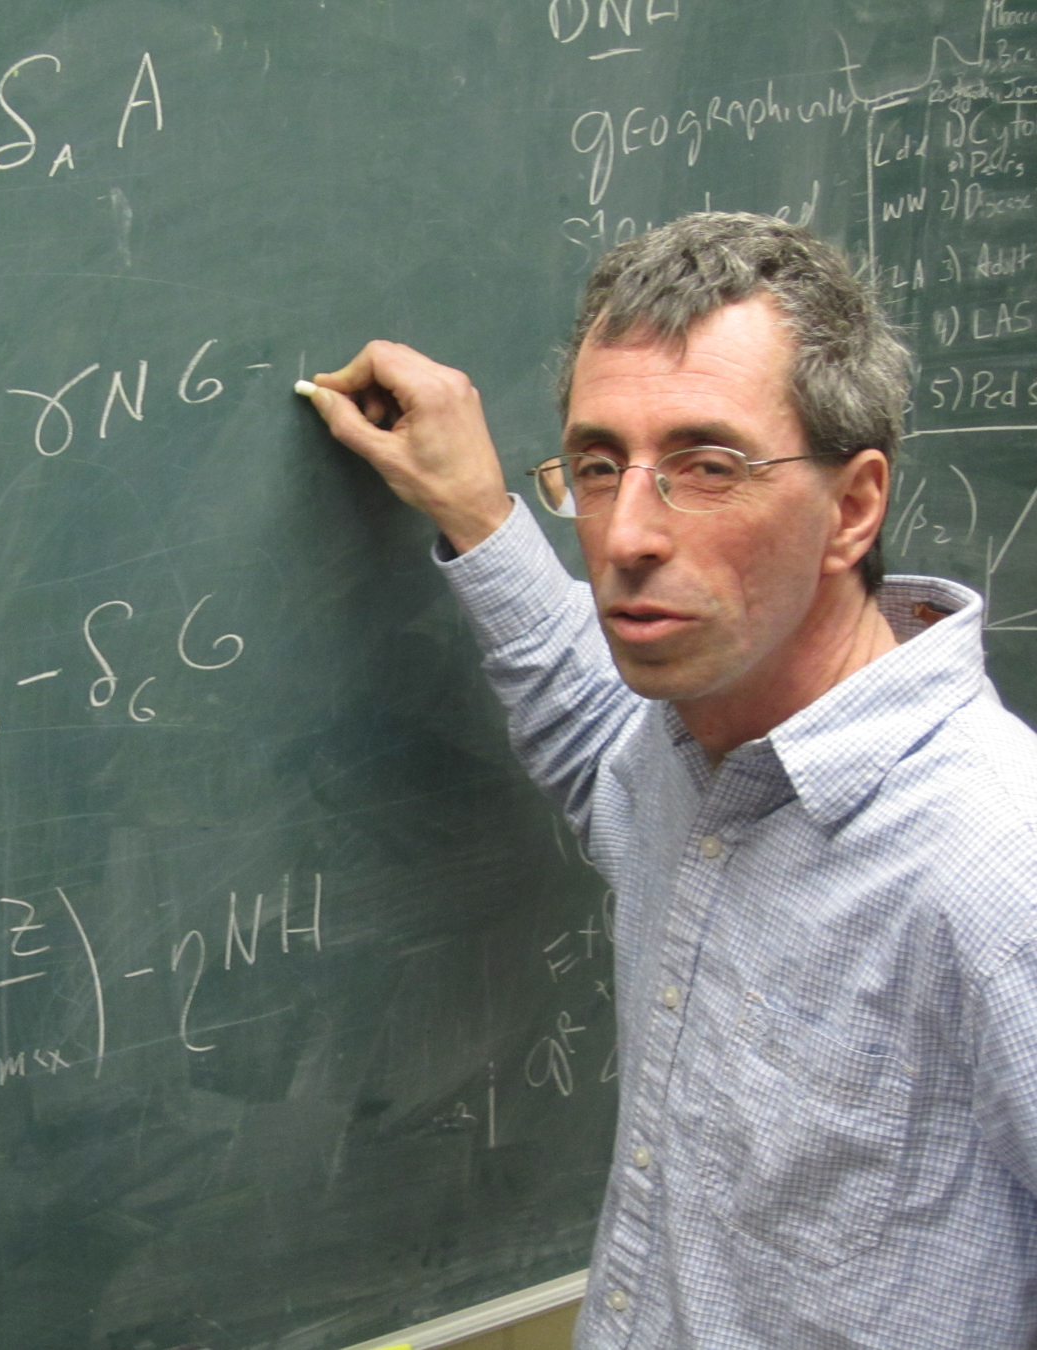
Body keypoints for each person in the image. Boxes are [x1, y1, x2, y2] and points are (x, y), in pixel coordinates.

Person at [299, 213, 1037, 1348]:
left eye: (706, 466)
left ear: (853, 506)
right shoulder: (691, 754)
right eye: (598, 466)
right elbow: (600, 736)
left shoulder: (995, 864)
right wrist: (480, 510)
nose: (627, 533)